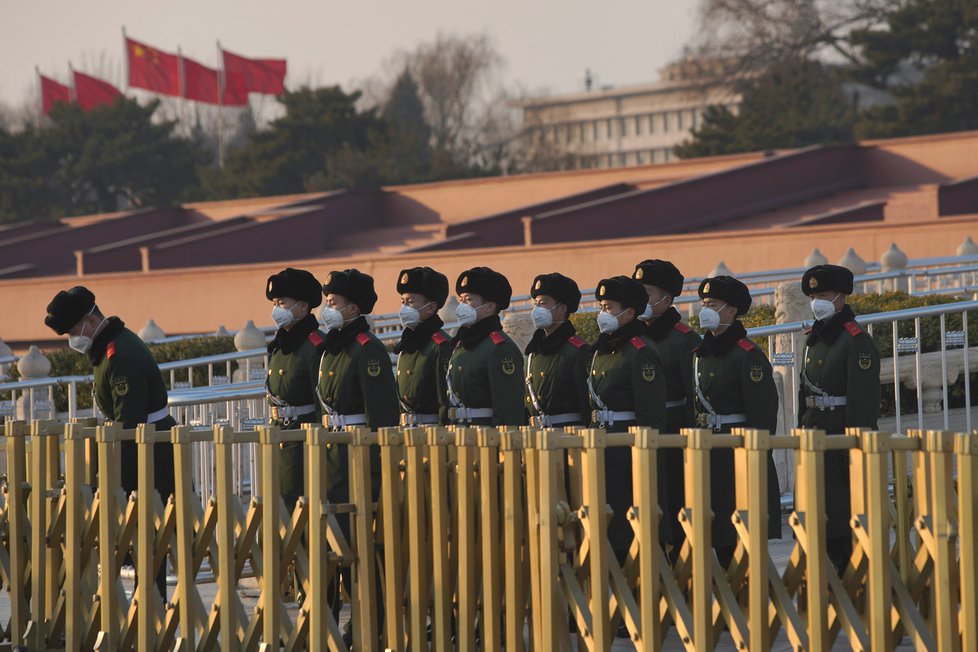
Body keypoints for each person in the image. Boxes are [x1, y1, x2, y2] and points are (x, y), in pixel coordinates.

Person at [44, 285, 177, 595]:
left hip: (147, 450)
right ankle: (147, 602)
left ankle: (151, 607)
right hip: (143, 444)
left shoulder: (119, 356)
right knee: (143, 533)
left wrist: (112, 476)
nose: (73, 339)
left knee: (146, 529)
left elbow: (128, 425)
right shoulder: (110, 347)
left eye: (73, 331)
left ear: (90, 322)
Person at [692, 275, 782, 566]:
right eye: (704, 303)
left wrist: (754, 459)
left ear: (731, 310)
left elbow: (763, 415)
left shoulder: (747, 356)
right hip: (709, 453)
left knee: (740, 542)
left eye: (713, 304)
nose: (705, 309)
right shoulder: (702, 354)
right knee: (718, 537)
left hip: (738, 456)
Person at [799, 264, 880, 574]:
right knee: (820, 513)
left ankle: (850, 579)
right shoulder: (816, 337)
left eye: (824, 295)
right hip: (815, 434)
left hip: (840, 436)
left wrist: (855, 446)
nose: (817, 301)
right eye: (813, 295)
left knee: (842, 514)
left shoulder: (854, 339)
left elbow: (863, 400)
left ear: (842, 297)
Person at [588, 275, 670, 560]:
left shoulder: (640, 351)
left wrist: (644, 456)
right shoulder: (604, 349)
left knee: (628, 525)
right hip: (603, 444)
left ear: (630, 313)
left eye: (609, 307)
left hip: (627, 449)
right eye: (601, 306)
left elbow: (651, 412)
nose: (603, 314)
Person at [633, 259, 701, 555]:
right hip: (637, 434)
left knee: (674, 502)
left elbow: (694, 396)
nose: (640, 300)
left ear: (667, 299)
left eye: (646, 293)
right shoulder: (631, 337)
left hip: (674, 435)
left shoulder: (684, 341)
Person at [265, 267, 326, 511]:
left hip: (303, 436)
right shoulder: (281, 344)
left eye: (282, 303)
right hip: (279, 434)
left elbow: (321, 399)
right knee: (277, 501)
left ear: (302, 307)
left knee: (298, 502)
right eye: (274, 302)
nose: (276, 309)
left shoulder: (315, 345)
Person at [446, 267, 526, 427]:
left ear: (489, 306)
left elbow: (508, 409)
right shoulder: (462, 344)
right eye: (461, 299)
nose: (461, 306)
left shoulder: (499, 348)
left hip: (486, 438)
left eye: (468, 300)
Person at [524, 273, 590, 428]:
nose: (536, 309)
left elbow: (586, 405)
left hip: (568, 437)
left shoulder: (577, 350)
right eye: (536, 303)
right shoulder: (534, 351)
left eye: (543, 303)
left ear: (562, 308)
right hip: (536, 437)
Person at [394, 267, 453, 426]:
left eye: (411, 302)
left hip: (431, 433)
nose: (404, 308)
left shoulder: (440, 345)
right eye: (403, 302)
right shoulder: (407, 344)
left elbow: (444, 400)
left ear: (431, 307)